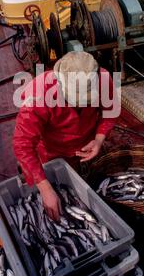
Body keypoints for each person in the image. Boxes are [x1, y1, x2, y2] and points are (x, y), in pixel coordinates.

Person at [13, 52, 119, 221]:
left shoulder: (104, 79)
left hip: (85, 146)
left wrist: (99, 139)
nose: (82, 102)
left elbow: (110, 111)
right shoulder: (38, 94)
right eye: (75, 99)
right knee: (51, 191)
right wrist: (45, 188)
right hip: (50, 152)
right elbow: (22, 144)